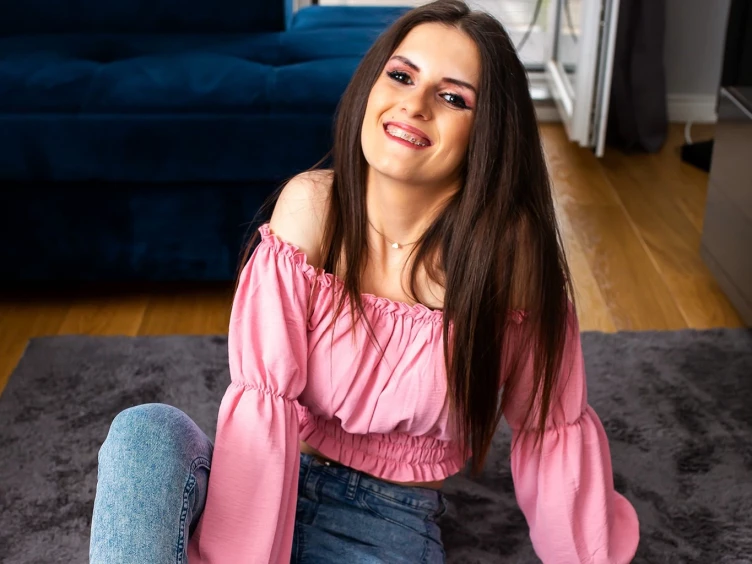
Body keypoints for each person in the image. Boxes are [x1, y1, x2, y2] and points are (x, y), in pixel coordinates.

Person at [89, 1, 640, 562]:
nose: (414, 104)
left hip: (388, 524)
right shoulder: (311, 208)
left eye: (453, 98)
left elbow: (551, 426)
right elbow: (262, 403)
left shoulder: (508, 254)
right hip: (259, 481)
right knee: (146, 432)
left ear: (489, 131)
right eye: (401, 76)